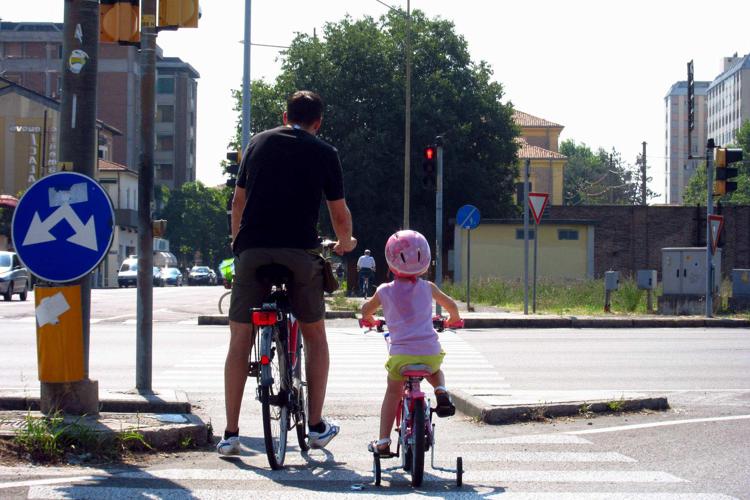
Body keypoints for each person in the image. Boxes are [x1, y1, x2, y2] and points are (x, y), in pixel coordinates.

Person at [218, 90, 357, 456]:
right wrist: (345, 242)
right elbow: (339, 213)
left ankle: (230, 433)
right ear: (318, 122)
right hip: (300, 252)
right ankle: (315, 426)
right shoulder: (325, 152)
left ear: (284, 116)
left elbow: (238, 202)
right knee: (315, 335)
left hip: (252, 251)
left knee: (239, 339)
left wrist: (238, 246)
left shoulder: (256, 144)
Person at [360, 229, 461, 454]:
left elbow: (365, 310)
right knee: (436, 372)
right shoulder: (428, 288)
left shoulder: (384, 291)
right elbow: (452, 306)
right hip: (429, 353)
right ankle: (441, 391)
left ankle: (383, 441)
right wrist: (453, 320)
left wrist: (370, 320)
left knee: (392, 393)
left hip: (401, 357)